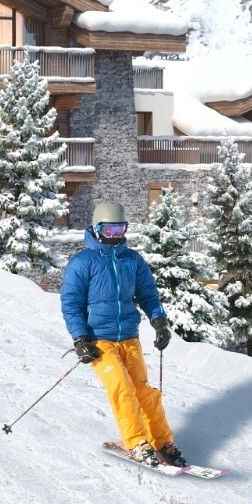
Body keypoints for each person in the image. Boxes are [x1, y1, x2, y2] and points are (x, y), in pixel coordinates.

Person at [60, 200, 185, 468]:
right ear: (97, 229)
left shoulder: (132, 260)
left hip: (129, 337)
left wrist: (159, 321)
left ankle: (163, 442)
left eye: (120, 230)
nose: (115, 236)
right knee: (122, 387)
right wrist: (81, 339)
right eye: (109, 231)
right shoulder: (83, 263)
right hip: (99, 340)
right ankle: (137, 441)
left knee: (144, 392)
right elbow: (71, 303)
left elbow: (148, 294)